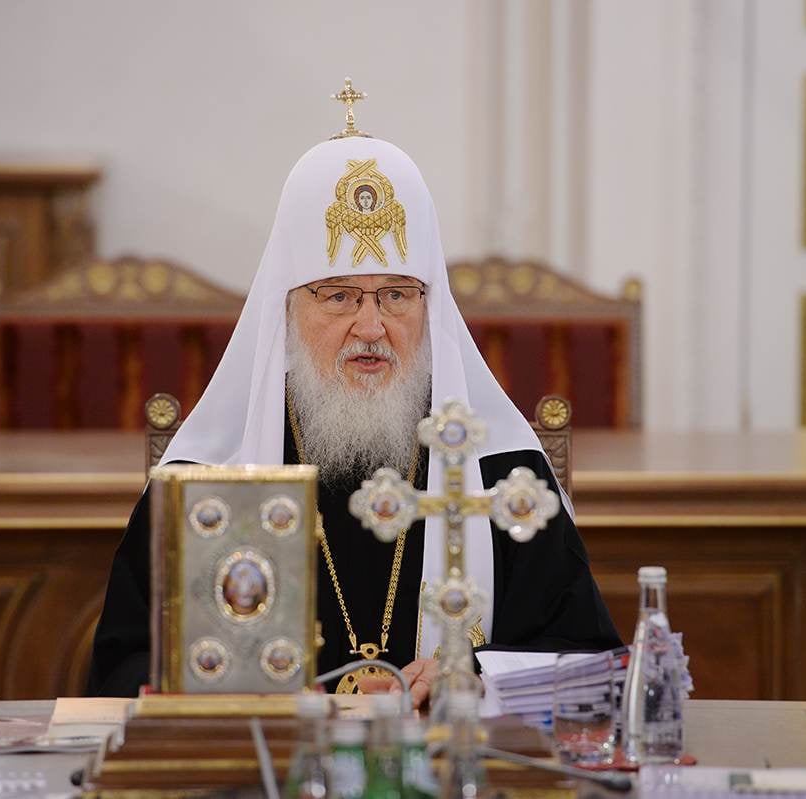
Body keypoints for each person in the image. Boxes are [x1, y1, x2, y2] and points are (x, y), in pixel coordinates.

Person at [87, 116, 621, 707]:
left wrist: (470, 675)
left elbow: (588, 662)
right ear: (287, 310)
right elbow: (122, 672)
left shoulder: (500, 473)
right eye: (339, 296)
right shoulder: (208, 479)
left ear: (430, 307)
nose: (371, 327)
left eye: (396, 295)